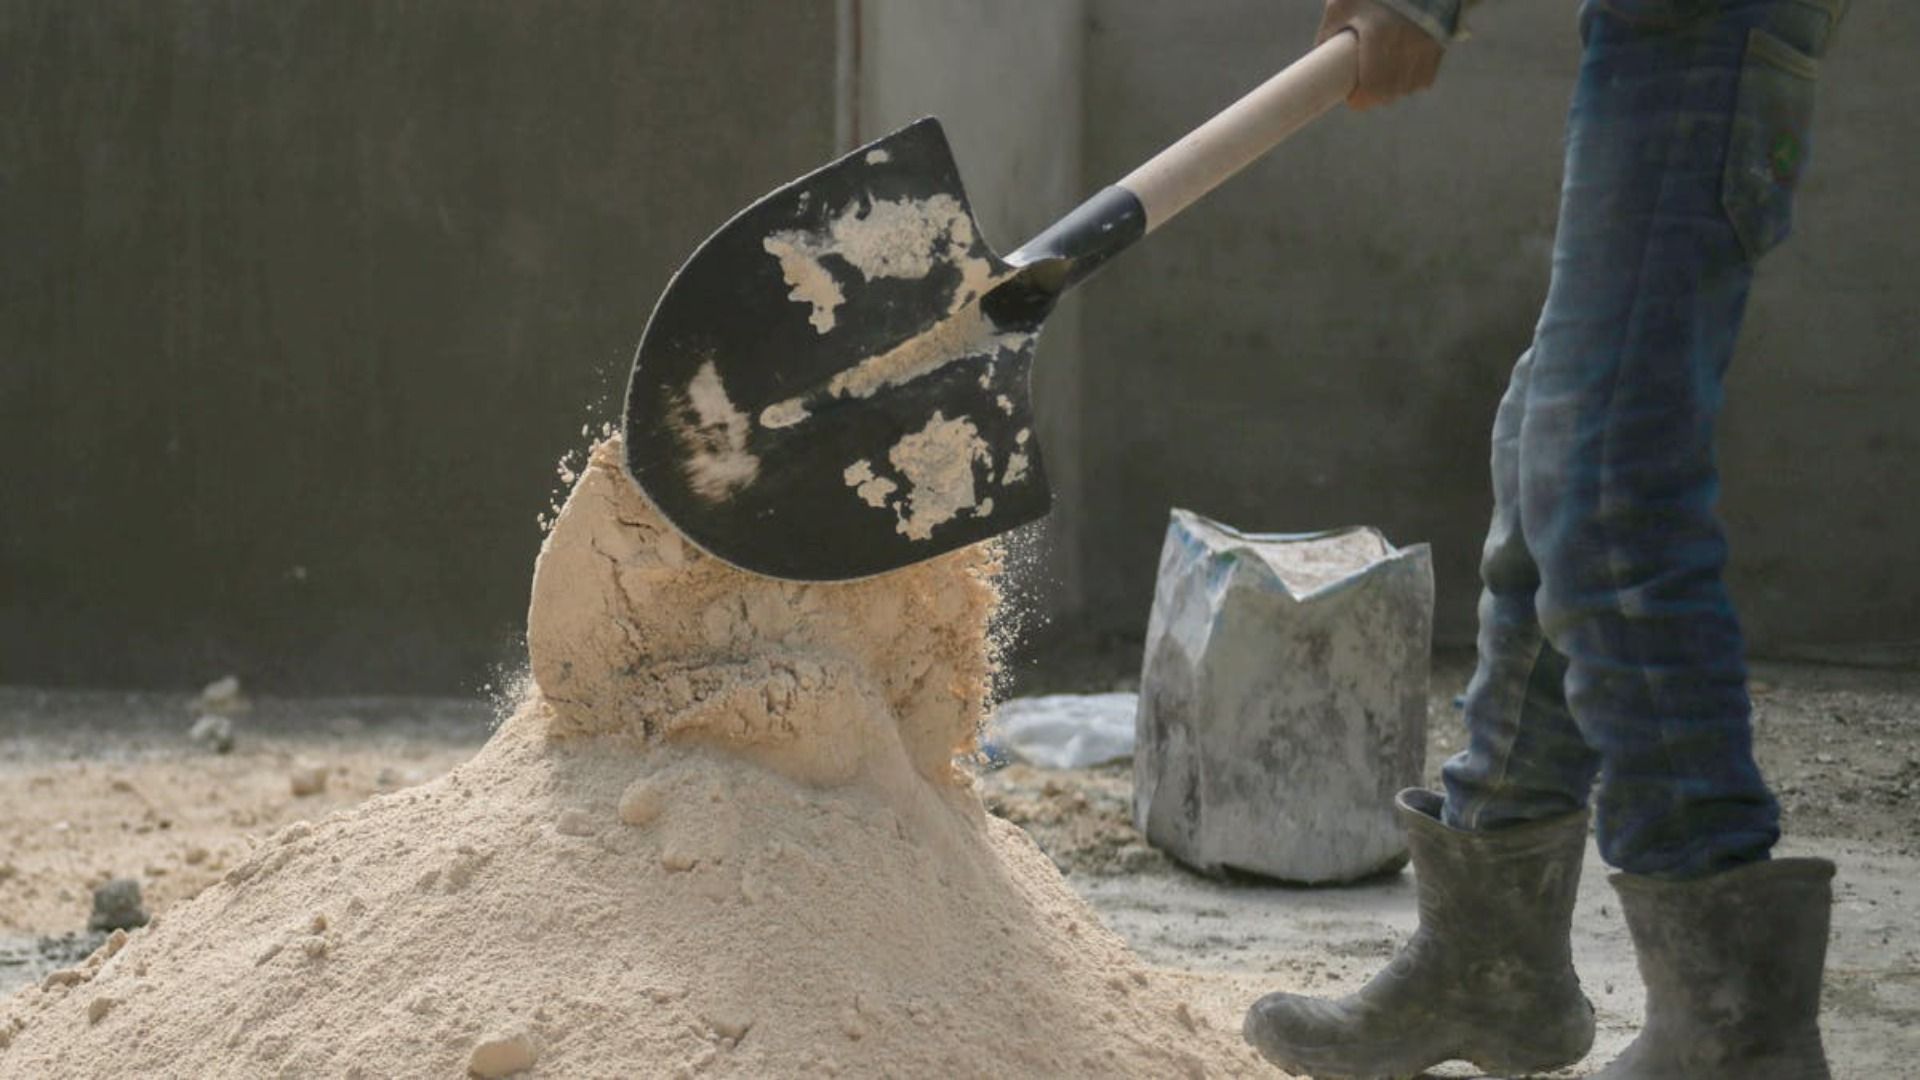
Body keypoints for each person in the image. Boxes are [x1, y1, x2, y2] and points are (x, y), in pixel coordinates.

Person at [1240, 1, 1849, 1077]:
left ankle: (1734, 1034)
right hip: (1658, 35)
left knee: (1604, 477)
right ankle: (1493, 960)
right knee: (1550, 454)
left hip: (1709, 29)